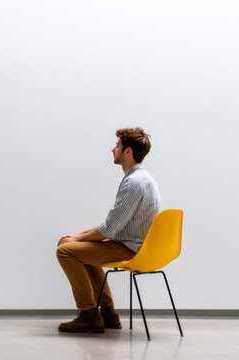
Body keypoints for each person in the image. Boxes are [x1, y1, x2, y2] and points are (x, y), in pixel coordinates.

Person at [55, 127, 161, 333]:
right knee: (82, 247)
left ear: (127, 151)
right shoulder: (144, 178)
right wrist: (77, 237)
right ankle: (108, 313)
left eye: (118, 146)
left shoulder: (134, 183)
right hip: (134, 243)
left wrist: (73, 241)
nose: (113, 150)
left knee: (65, 252)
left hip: (130, 248)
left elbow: (109, 229)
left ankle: (89, 315)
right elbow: (112, 225)